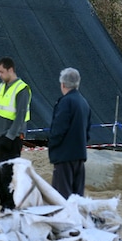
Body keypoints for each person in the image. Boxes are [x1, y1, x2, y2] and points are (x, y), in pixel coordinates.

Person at [0, 57, 31, 214]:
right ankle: (5, 206)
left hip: (10, 138)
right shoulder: (2, 86)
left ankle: (11, 207)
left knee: (8, 175)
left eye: (2, 72)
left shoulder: (22, 88)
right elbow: (3, 110)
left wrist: (10, 137)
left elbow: (20, 116)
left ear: (11, 70)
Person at [47, 67, 91, 198]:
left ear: (63, 84)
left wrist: (52, 145)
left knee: (61, 197)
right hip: (79, 155)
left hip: (64, 156)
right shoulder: (84, 103)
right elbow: (87, 131)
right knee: (77, 197)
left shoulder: (66, 102)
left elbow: (58, 129)